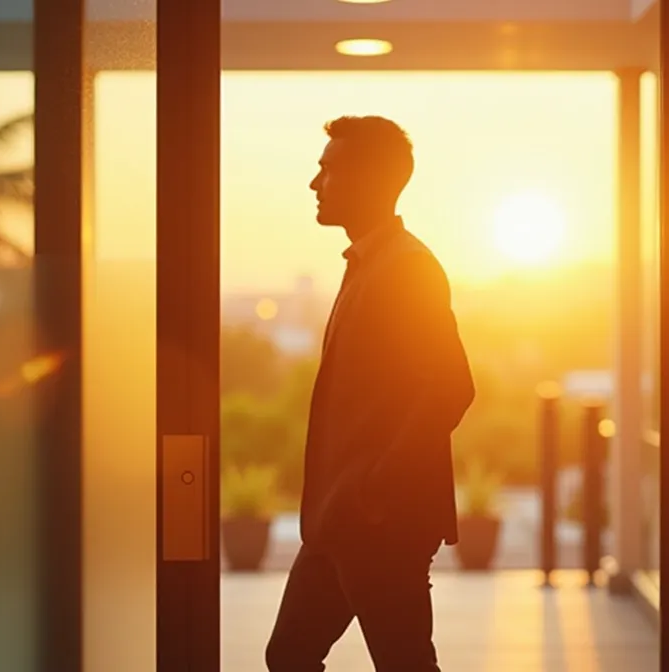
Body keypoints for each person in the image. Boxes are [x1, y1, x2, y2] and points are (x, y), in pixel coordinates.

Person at [265, 115, 476, 671]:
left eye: (328, 170)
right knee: (290, 654)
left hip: (378, 521)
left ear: (367, 179)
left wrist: (374, 487)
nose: (315, 183)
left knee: (399, 663)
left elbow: (450, 386)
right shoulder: (372, 262)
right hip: (344, 519)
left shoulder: (407, 269)